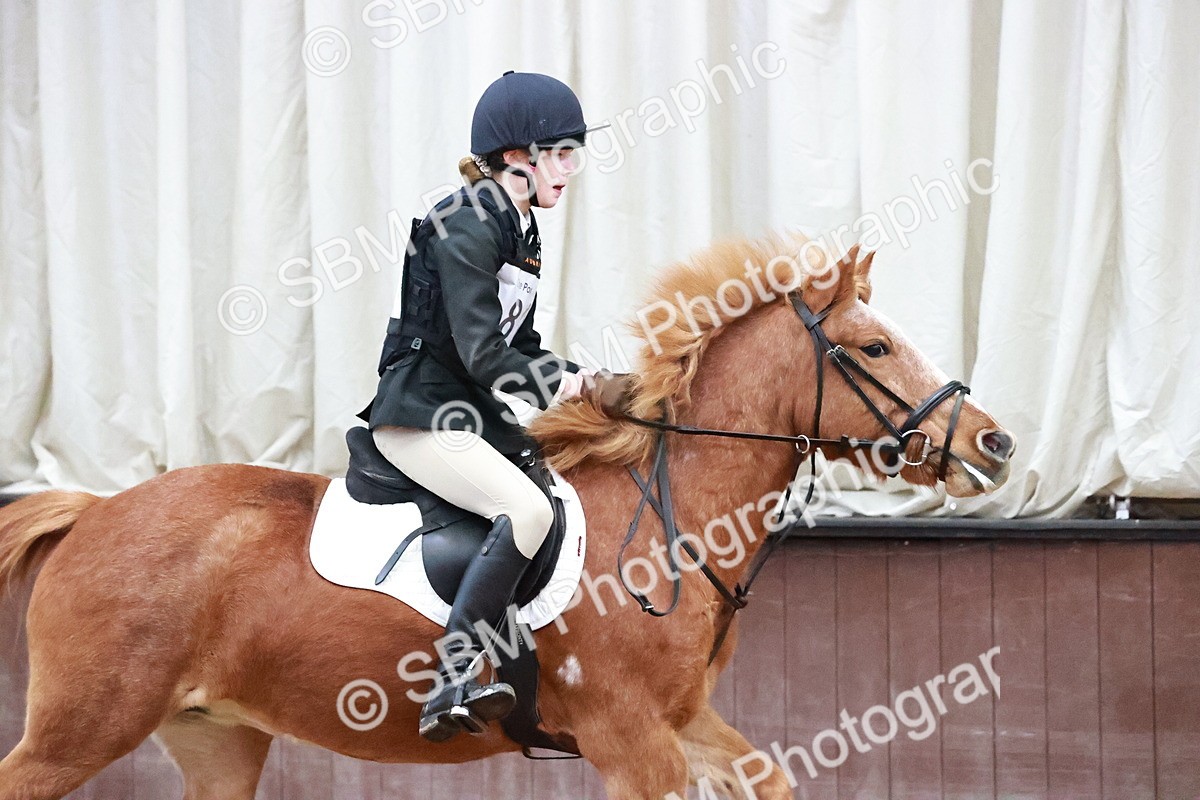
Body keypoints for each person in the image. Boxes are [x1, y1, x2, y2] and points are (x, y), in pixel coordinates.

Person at [358, 71, 617, 743]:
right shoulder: (468, 219)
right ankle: (449, 679)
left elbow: (518, 344)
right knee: (527, 509)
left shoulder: (519, 226)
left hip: (467, 411)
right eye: (558, 152)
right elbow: (480, 353)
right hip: (420, 412)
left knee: (560, 485)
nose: (570, 168)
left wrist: (586, 378)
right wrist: (563, 385)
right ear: (514, 158)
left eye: (573, 153)